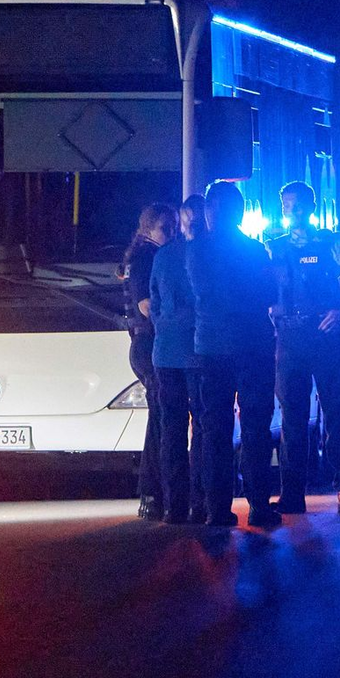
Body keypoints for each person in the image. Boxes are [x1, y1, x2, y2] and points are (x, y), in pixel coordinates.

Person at [268, 181, 340, 515]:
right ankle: (292, 494)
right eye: (287, 205)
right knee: (292, 420)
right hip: (289, 339)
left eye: (298, 204)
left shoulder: (333, 243)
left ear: (312, 207)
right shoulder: (273, 247)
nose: (292, 210)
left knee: (338, 415)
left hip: (326, 337)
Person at [186, 180, 280, 528]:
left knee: (214, 430)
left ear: (210, 211)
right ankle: (258, 505)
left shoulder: (195, 251)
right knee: (256, 427)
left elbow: (198, 294)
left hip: (210, 347)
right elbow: (270, 294)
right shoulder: (255, 251)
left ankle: (217, 509)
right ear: (241, 212)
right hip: (253, 345)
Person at [149, 194, 208, 524]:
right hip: (199, 352)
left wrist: (165, 325)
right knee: (202, 427)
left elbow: (154, 304)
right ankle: (200, 501)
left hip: (165, 352)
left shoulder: (163, 255)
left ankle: (174, 505)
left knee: (170, 429)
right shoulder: (207, 255)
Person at [120, 202, 179, 520]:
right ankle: (152, 492)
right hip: (150, 345)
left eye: (174, 227)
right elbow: (146, 306)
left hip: (145, 345)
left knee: (161, 418)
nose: (171, 233)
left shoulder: (142, 255)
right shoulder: (147, 257)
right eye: (165, 228)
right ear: (147, 229)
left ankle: (154, 492)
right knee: (161, 420)